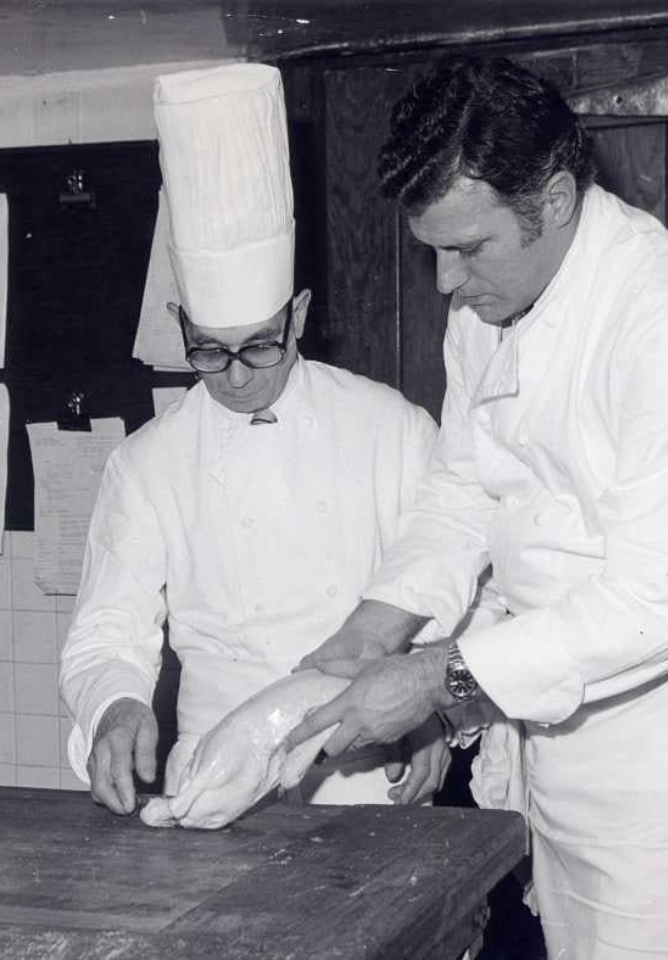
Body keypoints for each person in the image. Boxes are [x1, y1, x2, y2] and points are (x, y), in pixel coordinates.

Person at [288, 54, 668, 959]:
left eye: (466, 248)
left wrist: (435, 679)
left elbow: (655, 602)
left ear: (554, 199)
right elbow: (463, 488)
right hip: (553, 737)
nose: (443, 284)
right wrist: (374, 625)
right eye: (431, 251)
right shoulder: (486, 311)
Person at [59, 62, 449, 818]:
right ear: (180, 327)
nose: (234, 377)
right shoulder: (148, 463)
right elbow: (106, 630)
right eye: (207, 350)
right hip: (211, 786)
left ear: (298, 316)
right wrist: (112, 707)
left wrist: (430, 707)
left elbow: (463, 601)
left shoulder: (390, 430)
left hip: (367, 776)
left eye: (259, 347)